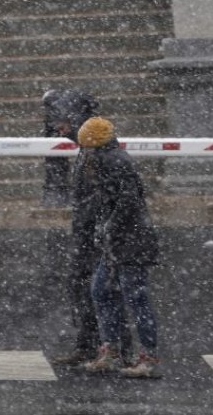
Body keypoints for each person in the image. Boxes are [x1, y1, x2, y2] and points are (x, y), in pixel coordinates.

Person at [47, 90, 132, 367]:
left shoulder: (99, 152)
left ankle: (113, 348)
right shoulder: (89, 148)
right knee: (84, 287)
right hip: (91, 232)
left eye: (62, 122)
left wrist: (99, 228)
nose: (58, 128)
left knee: (102, 289)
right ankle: (92, 344)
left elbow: (116, 197)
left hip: (98, 234)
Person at [77, 117, 162, 379]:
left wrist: (109, 226)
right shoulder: (104, 159)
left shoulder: (113, 161)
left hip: (130, 243)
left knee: (136, 298)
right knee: (102, 291)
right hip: (119, 242)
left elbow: (127, 201)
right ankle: (111, 350)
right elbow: (110, 201)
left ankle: (147, 357)